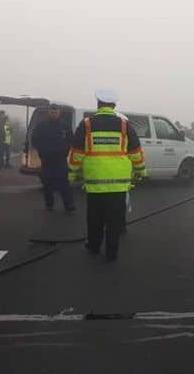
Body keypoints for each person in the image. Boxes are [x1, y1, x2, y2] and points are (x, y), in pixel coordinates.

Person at [68, 90, 147, 261]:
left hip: (95, 182)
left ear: (98, 104)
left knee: (94, 217)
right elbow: (135, 152)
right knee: (114, 220)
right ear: (114, 106)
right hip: (119, 184)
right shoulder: (125, 125)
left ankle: (94, 246)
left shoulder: (87, 124)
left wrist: (73, 174)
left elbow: (77, 153)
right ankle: (112, 252)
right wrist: (141, 171)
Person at [32, 104, 75, 212]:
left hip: (60, 159)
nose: (54, 114)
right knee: (47, 183)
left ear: (59, 113)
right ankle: (49, 204)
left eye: (56, 112)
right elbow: (35, 140)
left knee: (64, 183)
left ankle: (69, 206)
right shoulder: (41, 126)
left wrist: (65, 151)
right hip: (47, 159)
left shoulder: (64, 126)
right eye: (52, 112)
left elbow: (70, 140)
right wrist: (42, 152)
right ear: (49, 113)